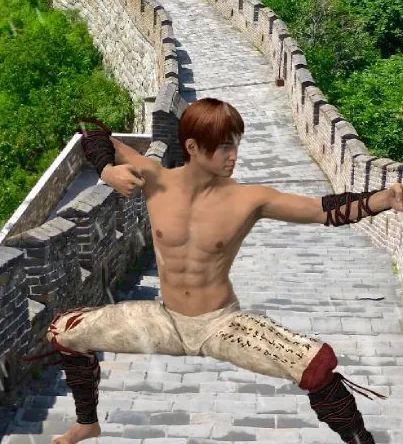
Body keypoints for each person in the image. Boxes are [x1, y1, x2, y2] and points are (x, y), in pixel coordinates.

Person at [25, 99, 401, 444]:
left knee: (315, 365)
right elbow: (92, 132)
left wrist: (382, 199)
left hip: (221, 324)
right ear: (192, 147)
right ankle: (88, 423)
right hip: (165, 320)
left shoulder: (249, 198)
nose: (234, 156)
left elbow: (324, 210)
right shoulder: (155, 179)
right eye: (224, 147)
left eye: (235, 144)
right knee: (65, 330)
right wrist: (107, 171)